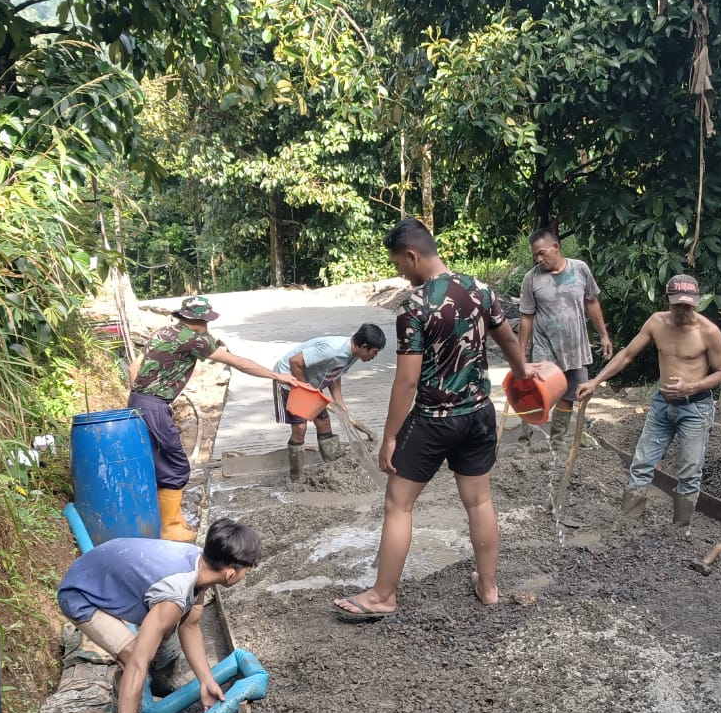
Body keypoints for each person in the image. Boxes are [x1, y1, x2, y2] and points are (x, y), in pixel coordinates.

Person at [334, 218, 530, 619]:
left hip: (432, 420)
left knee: (398, 505)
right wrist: (526, 376)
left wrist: (390, 438)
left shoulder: (414, 307)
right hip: (478, 414)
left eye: (398, 264)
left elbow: (406, 381)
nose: (400, 272)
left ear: (412, 255)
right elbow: (508, 340)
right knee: (479, 500)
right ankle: (489, 586)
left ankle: (383, 596)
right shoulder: (481, 290)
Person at [56, 519, 263, 713]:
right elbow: (137, 663)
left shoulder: (202, 566)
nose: (246, 575)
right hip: (82, 594)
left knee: (161, 633)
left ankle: (156, 687)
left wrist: (206, 680)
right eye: (246, 571)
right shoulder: (175, 592)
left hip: (108, 575)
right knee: (134, 654)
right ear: (230, 572)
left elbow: (190, 626)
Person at [128, 296, 297, 540]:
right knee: (176, 465)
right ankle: (170, 528)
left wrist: (140, 395)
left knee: (159, 464)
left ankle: (172, 520)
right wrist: (277, 376)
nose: (207, 327)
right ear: (198, 320)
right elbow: (237, 362)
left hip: (138, 402)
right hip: (154, 407)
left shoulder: (163, 331)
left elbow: (135, 366)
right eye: (206, 321)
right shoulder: (196, 339)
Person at [578, 274, 721, 539]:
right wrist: (596, 381)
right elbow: (627, 354)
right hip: (662, 406)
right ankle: (628, 524)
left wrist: (691, 387)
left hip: (694, 408)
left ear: (696, 302)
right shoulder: (656, 323)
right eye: (677, 305)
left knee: (690, 469)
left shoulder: (708, 331)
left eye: (688, 305)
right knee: (642, 462)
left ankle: (679, 531)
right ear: (666, 301)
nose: (683, 310)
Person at [517, 227, 612, 450]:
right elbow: (526, 317)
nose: (538, 259)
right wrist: (521, 352)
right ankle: (524, 443)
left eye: (542, 253)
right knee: (535, 394)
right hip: (545, 349)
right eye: (535, 255)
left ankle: (558, 442)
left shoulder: (580, 269)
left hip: (576, 347)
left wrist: (604, 335)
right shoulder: (531, 279)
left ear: (556, 247)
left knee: (569, 394)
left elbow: (592, 302)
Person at [273, 324, 387, 477]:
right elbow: (295, 362)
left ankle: (333, 470)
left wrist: (340, 405)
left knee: (324, 423)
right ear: (364, 346)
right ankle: (296, 476)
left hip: (311, 384)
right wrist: (308, 392)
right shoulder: (331, 350)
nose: (375, 356)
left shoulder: (353, 354)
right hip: (289, 378)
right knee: (300, 428)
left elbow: (334, 374)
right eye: (375, 352)